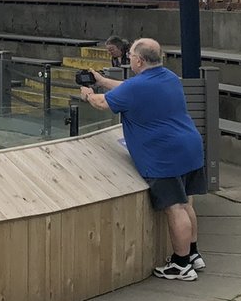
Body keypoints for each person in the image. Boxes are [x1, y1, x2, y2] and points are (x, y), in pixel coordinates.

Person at [77, 38, 207, 281]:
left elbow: (102, 103)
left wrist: (88, 94)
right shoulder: (169, 77)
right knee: (186, 202)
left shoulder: (137, 87)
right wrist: (102, 81)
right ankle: (193, 254)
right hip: (190, 147)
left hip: (164, 155)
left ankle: (180, 264)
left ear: (138, 60)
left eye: (130, 57)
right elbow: (129, 87)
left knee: (175, 207)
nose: (129, 59)